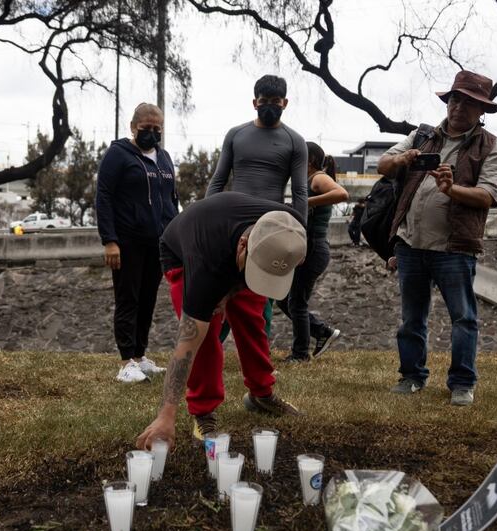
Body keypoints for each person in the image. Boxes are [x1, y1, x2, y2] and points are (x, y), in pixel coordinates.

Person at [376, 70, 497, 406]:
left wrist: (453, 189)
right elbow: (382, 164)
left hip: (454, 247)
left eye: (469, 102)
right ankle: (411, 376)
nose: (459, 106)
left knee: (463, 317)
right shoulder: (422, 136)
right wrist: (403, 158)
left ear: (482, 111)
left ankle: (462, 383)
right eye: (455, 98)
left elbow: (489, 196)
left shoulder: (492, 147)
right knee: (411, 317)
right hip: (410, 243)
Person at [134, 192, 306, 449]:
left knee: (252, 319)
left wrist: (233, 291)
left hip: (232, 250)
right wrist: (166, 415)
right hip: (180, 253)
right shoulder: (206, 265)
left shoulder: (291, 233)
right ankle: (203, 411)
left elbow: (289, 262)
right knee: (205, 334)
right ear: (243, 245)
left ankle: (261, 394)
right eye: (252, 272)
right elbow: (187, 345)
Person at [207, 75, 308, 342]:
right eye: (264, 101)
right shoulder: (236, 134)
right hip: (231, 221)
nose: (270, 106)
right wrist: (207, 219)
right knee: (221, 286)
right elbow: (218, 180)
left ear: (285, 103)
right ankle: (211, 346)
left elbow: (300, 192)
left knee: (260, 291)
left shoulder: (295, 141)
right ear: (254, 102)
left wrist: (301, 235)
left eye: (276, 101)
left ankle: (258, 353)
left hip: (269, 227)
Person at [96, 103, 179, 384]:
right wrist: (110, 240)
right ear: (133, 127)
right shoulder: (118, 155)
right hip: (128, 240)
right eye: (146, 128)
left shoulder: (164, 158)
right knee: (128, 298)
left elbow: (171, 200)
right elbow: (104, 196)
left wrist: (174, 234)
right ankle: (125, 361)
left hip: (158, 242)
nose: (152, 134)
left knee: (148, 299)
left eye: (158, 129)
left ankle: (141, 357)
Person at [275, 143, 347, 361]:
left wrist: (305, 203)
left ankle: (300, 354)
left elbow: (342, 194)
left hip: (314, 248)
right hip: (308, 247)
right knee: (283, 299)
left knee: (296, 301)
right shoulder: (307, 181)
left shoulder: (317, 178)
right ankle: (321, 331)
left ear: (311, 159)